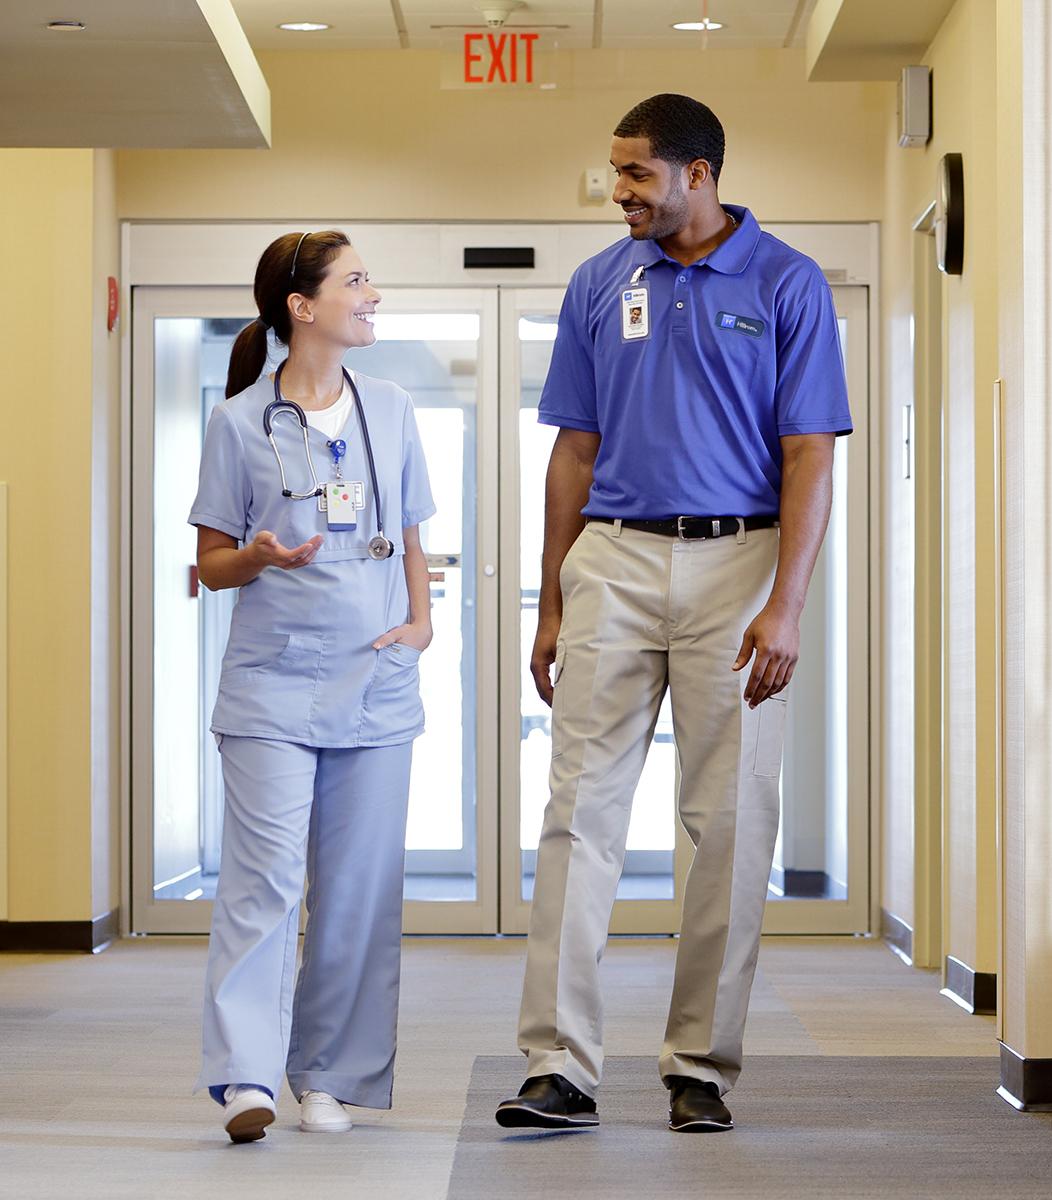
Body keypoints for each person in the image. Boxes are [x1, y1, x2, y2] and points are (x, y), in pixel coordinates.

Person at [495, 94, 851, 1134]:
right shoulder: (601, 284)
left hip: (740, 567)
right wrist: (554, 593)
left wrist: (787, 604)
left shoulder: (785, 283)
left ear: (700, 173)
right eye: (616, 173)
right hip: (613, 558)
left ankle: (700, 1065)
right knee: (577, 816)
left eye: (636, 174)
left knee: (729, 827)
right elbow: (572, 447)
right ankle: (559, 1064)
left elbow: (811, 454)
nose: (621, 193)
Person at [189, 230, 436, 1143]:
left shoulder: (394, 407)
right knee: (263, 887)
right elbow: (209, 564)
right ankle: (246, 1077)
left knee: (358, 892)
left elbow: (409, 535)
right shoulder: (238, 423)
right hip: (272, 689)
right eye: (357, 281)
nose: (373, 294)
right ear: (302, 305)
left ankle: (328, 1075)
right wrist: (251, 554)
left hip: (375, 680)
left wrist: (421, 623)